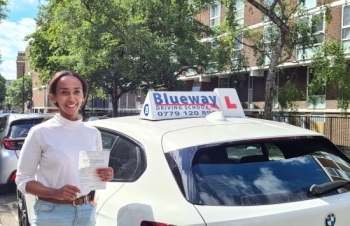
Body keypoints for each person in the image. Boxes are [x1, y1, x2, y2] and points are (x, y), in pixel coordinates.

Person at [16, 70, 114, 226]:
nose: (71, 98)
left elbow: (93, 177)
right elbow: (22, 180)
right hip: (52, 214)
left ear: (83, 96)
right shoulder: (40, 132)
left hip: (86, 213)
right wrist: (55, 192)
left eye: (77, 91)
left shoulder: (93, 133)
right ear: (53, 97)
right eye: (64, 92)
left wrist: (105, 175)